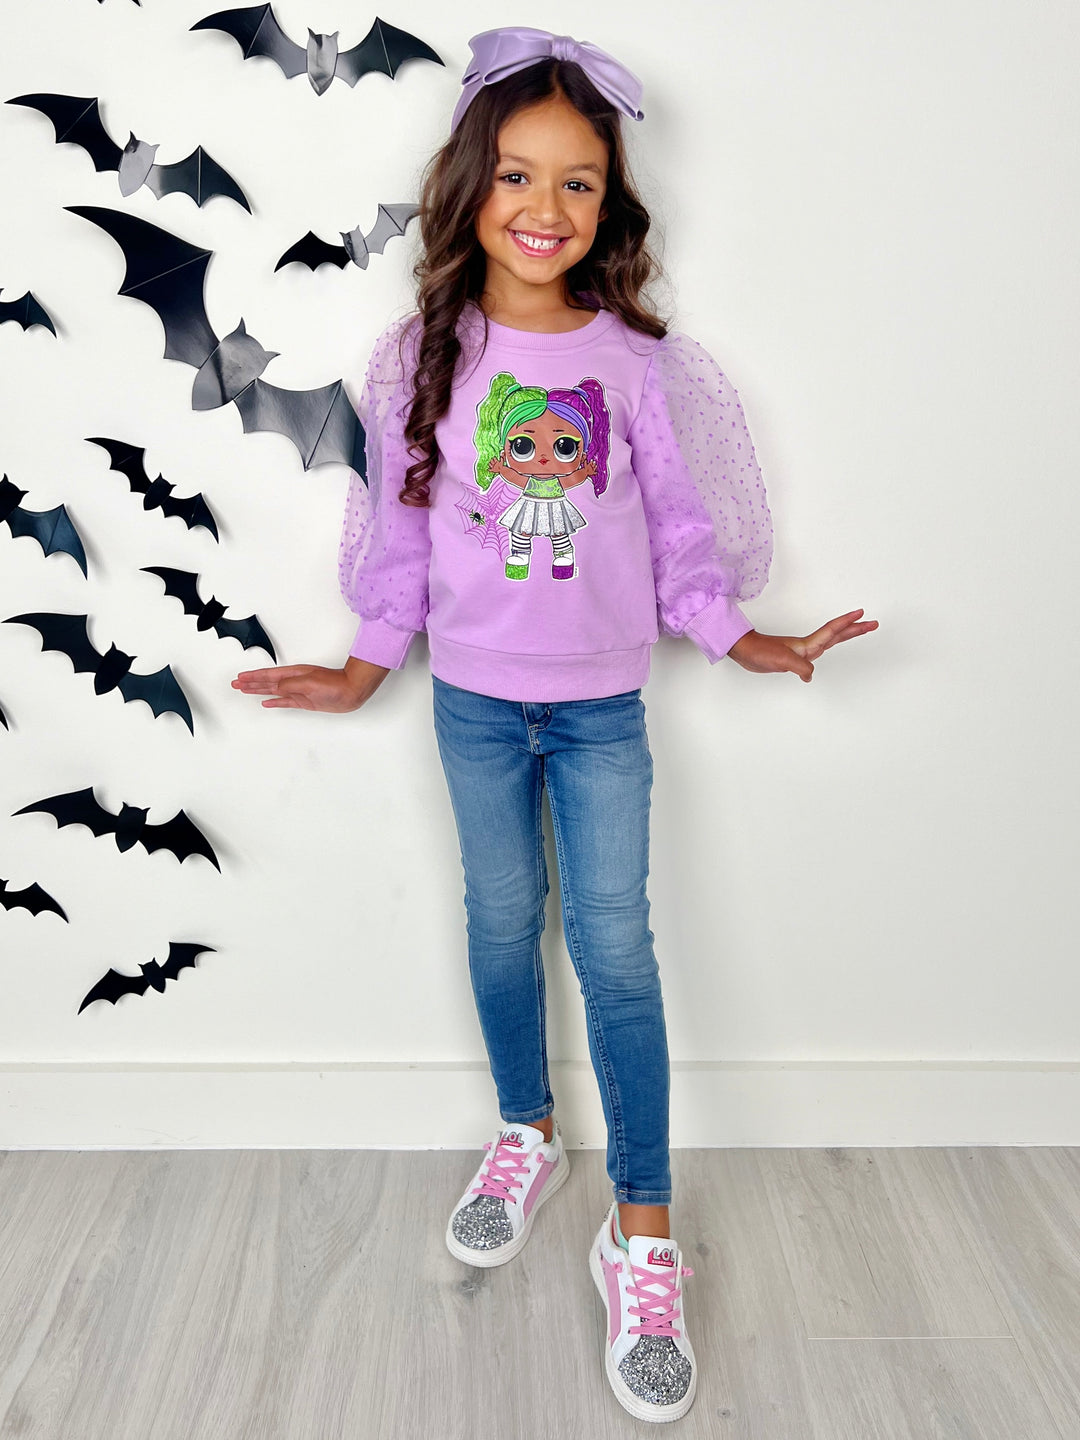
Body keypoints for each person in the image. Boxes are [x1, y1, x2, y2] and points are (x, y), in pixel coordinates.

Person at [233, 25, 877, 1422]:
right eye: (518, 174)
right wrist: (364, 667)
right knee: (497, 922)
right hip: (471, 704)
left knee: (617, 953)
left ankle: (641, 1230)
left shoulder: (634, 365)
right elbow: (404, 534)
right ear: (469, 186)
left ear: (612, 204)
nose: (545, 206)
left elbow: (685, 541)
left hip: (598, 716)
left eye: (578, 181)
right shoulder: (426, 353)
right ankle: (525, 1131)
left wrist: (748, 641)